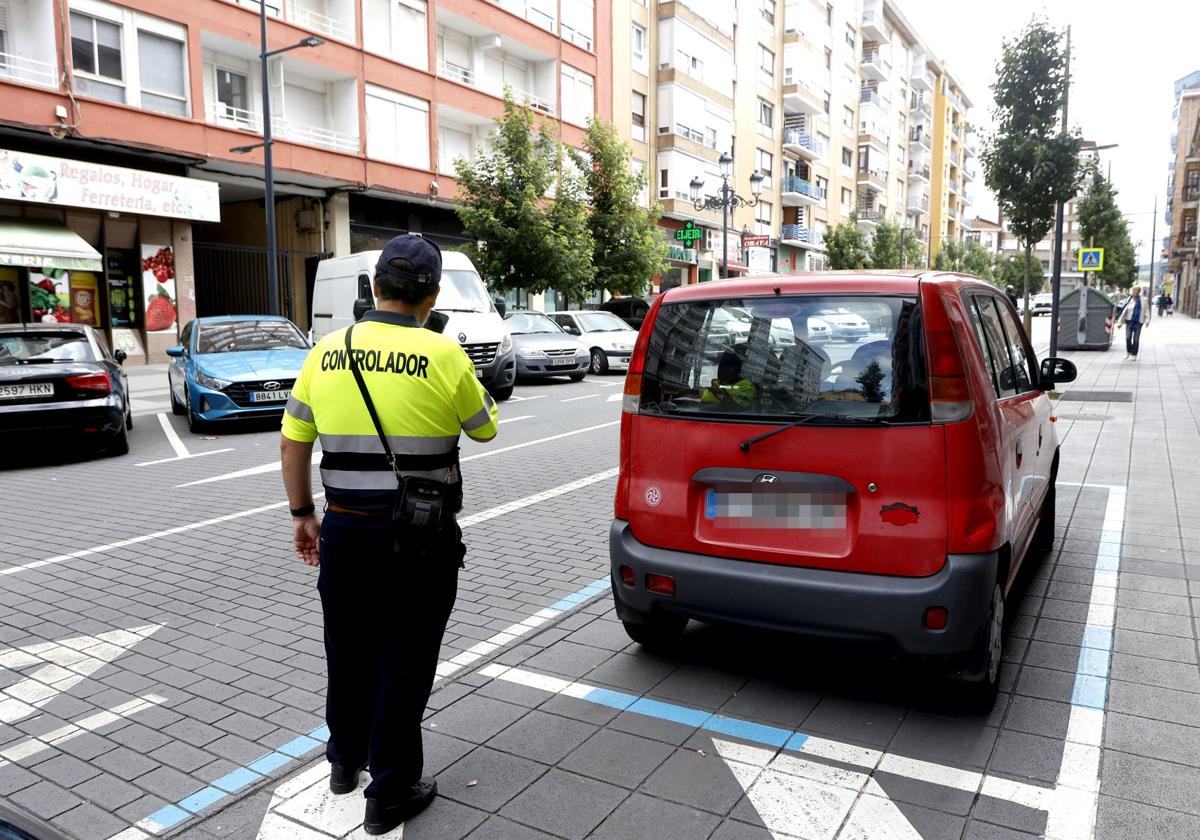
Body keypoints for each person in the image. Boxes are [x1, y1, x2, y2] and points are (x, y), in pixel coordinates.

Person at [280, 234, 499, 835]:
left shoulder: (325, 351)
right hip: (419, 540)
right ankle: (391, 790)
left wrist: (303, 514)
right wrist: (454, 363)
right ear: (430, 295)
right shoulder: (443, 353)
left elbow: (293, 441)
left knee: (347, 651)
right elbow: (485, 428)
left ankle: (344, 763)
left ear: (373, 286)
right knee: (405, 659)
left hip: (346, 531)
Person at [1116, 285, 1150, 361]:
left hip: (1138, 322)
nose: (1135, 292)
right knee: (1128, 338)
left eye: (1137, 291)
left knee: (1136, 339)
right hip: (1129, 321)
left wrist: (1147, 321)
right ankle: (1128, 351)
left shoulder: (1143, 300)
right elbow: (1123, 312)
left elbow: (1147, 311)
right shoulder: (1128, 300)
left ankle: (1134, 354)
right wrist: (1120, 323)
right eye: (1134, 290)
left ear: (1139, 292)